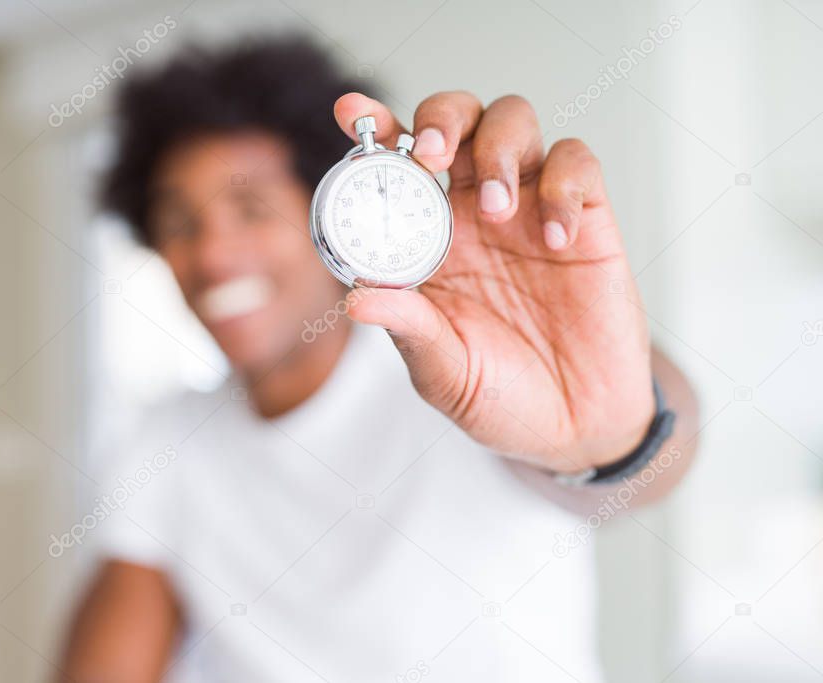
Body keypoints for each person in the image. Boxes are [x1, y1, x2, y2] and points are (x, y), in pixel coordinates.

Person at [58, 36, 699, 682]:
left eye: (251, 210)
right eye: (179, 222)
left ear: (335, 216)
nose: (213, 254)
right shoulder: (168, 442)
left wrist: (615, 436)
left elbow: (653, 466)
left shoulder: (463, 364)